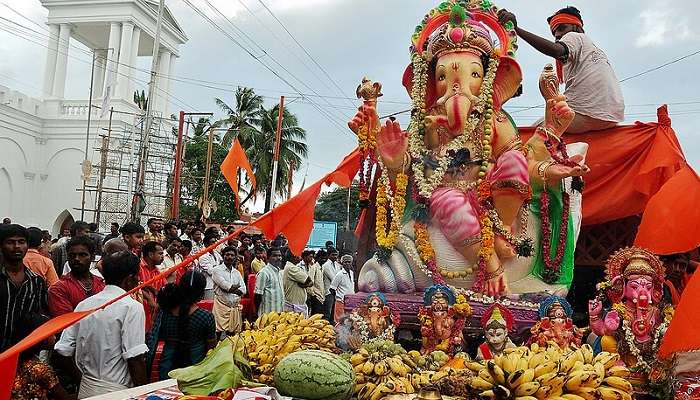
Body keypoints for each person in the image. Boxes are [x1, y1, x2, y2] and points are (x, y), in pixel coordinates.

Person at [498, 6, 624, 133]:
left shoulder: (574, 36)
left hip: (585, 112)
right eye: (554, 33)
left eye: (562, 28)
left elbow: (557, 51)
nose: (557, 35)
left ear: (577, 27)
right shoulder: (592, 48)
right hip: (612, 117)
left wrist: (517, 29)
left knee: (529, 135)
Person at [54, 251, 148, 398]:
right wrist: (143, 394)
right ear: (130, 279)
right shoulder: (131, 307)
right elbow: (135, 358)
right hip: (117, 392)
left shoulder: (84, 305)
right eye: (137, 276)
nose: (138, 280)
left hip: (86, 389)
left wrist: (83, 380)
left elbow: (62, 351)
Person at [147, 271, 216, 381]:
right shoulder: (206, 317)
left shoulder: (164, 313)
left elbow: (153, 337)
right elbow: (211, 351)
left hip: (167, 371)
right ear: (201, 292)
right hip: (195, 374)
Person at [0, 224, 48, 351]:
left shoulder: (36, 282)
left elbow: (40, 313)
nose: (16, 247)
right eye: (10, 242)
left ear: (27, 245)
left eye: (21, 242)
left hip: (23, 354)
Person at [11, 313, 72, 400]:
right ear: (42, 338)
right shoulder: (40, 369)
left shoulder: (13, 359)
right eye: (51, 332)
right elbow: (65, 398)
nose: (55, 337)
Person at [48, 236, 105, 318]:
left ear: (92, 257)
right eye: (72, 255)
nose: (76, 259)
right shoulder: (58, 288)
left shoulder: (101, 283)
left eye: (82, 255)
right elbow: (65, 321)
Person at [211, 246, 246, 337]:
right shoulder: (216, 270)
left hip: (234, 306)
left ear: (235, 258)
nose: (229, 257)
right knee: (217, 332)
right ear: (223, 256)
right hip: (221, 306)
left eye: (232, 255)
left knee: (232, 334)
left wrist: (231, 288)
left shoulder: (237, 272)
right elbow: (227, 287)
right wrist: (232, 288)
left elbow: (243, 290)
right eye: (227, 255)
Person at [140, 241, 166, 332]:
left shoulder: (158, 272)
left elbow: (163, 289)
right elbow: (135, 287)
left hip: (153, 316)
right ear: (151, 254)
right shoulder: (137, 268)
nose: (162, 257)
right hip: (140, 314)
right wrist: (149, 298)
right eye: (160, 254)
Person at [254, 247, 284, 316]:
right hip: (267, 314)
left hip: (279, 313)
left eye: (280, 256)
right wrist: (256, 313)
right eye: (275, 256)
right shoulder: (264, 273)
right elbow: (257, 295)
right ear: (268, 258)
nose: (278, 258)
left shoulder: (279, 272)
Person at [282, 250, 313, 316]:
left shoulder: (292, 267)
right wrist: (307, 284)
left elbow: (310, 282)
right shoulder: (291, 268)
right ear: (294, 256)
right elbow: (308, 280)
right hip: (295, 305)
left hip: (297, 304)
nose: (300, 256)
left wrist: (305, 285)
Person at [329, 254, 356, 324]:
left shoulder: (352, 273)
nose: (347, 264)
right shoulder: (339, 274)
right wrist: (339, 297)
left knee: (349, 321)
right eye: (345, 262)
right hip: (341, 302)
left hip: (350, 301)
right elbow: (332, 289)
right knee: (340, 321)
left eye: (349, 262)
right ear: (342, 263)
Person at [198, 235, 221, 300]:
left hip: (218, 285)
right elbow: (211, 271)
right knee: (209, 306)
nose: (214, 244)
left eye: (215, 242)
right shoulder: (203, 256)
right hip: (209, 286)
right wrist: (219, 268)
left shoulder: (217, 254)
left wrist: (216, 267)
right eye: (212, 242)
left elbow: (224, 265)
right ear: (206, 244)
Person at [304, 250, 325, 317]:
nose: (324, 260)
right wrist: (313, 295)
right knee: (315, 316)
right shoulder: (314, 267)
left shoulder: (321, 268)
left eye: (325, 258)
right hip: (315, 296)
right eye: (322, 258)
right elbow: (310, 281)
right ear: (318, 258)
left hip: (320, 296)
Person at [322, 248, 341, 322]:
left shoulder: (337, 265)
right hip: (328, 292)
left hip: (336, 291)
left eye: (336, 255)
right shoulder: (326, 265)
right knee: (328, 313)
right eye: (333, 255)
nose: (335, 257)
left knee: (334, 312)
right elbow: (333, 278)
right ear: (328, 255)